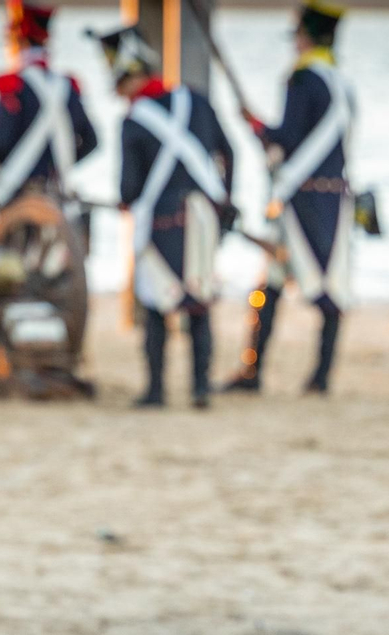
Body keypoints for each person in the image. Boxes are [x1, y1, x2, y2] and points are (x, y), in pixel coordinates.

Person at [95, 25, 235, 409]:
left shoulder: (132, 123)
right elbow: (229, 152)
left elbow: (129, 190)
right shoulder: (197, 100)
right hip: (204, 217)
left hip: (161, 222)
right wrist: (226, 202)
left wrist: (126, 202)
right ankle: (200, 388)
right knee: (199, 304)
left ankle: (156, 391)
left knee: (157, 304)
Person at [223, 2, 356, 396]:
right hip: (335, 199)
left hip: (303, 202)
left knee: (322, 289)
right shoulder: (341, 83)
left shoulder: (301, 80)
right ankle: (287, 374)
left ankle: (290, 376)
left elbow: (288, 141)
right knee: (276, 282)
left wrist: (257, 127)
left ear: (304, 36)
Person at [0, 2, 98, 209]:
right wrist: (58, 167)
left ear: (19, 41)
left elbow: (0, 139)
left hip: (17, 195)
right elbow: (91, 141)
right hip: (55, 192)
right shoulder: (68, 87)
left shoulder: (13, 85)